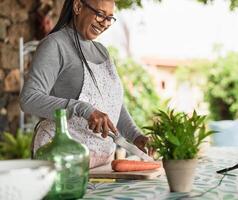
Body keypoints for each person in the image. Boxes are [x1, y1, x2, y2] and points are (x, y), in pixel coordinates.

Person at [20, 0, 150, 168]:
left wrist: (136, 136)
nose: (105, 23)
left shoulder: (102, 51)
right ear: (78, 7)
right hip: (63, 157)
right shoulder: (55, 45)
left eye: (110, 18)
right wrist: (83, 108)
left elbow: (114, 105)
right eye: (101, 14)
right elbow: (28, 99)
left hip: (102, 163)